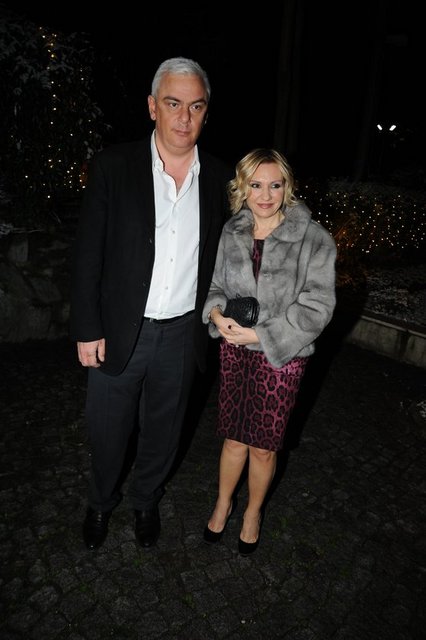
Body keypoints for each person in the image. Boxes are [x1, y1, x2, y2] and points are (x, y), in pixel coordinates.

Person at [70, 57, 232, 551]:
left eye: (196, 106)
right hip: (120, 328)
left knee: (164, 431)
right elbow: (88, 254)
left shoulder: (221, 179)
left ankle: (146, 499)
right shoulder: (114, 166)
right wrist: (86, 327)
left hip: (183, 333)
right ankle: (101, 501)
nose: (184, 117)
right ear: (152, 107)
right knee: (107, 430)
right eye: (173, 103)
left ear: (206, 112)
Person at [202, 148, 337, 555]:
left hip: (282, 357)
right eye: (256, 185)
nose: (265, 195)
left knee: (262, 446)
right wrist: (217, 315)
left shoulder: (314, 239)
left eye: (275, 185)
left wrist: (261, 337)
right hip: (234, 351)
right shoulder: (231, 232)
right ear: (242, 188)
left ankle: (252, 513)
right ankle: (223, 503)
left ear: (287, 186)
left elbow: (317, 307)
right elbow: (213, 286)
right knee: (233, 439)